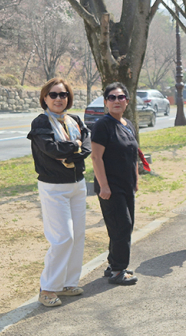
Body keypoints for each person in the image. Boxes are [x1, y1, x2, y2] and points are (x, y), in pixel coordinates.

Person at [28, 78, 92, 307]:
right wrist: (74, 146)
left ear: (68, 98)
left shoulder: (75, 120)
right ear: (44, 98)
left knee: (78, 236)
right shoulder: (41, 123)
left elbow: (87, 147)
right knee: (63, 237)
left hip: (77, 184)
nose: (58, 99)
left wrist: (73, 149)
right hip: (54, 187)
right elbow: (51, 150)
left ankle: (67, 283)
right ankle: (48, 288)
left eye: (63, 94)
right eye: (53, 94)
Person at [91, 82, 140, 285]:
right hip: (110, 187)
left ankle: (113, 264)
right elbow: (96, 157)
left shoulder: (128, 124)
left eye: (120, 97)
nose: (116, 101)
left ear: (127, 101)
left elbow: (133, 154)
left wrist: (136, 178)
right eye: (112, 97)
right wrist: (103, 186)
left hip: (126, 185)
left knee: (124, 226)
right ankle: (119, 270)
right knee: (122, 226)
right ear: (106, 102)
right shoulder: (103, 125)